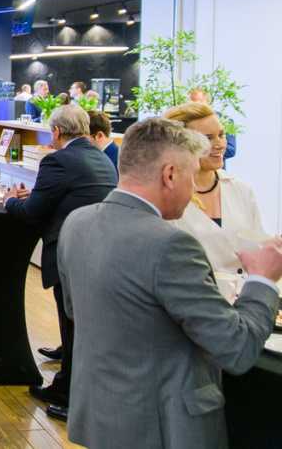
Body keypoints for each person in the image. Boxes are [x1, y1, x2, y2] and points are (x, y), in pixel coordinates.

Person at [58, 118, 282, 449]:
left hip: (101, 415)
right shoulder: (171, 245)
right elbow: (236, 349)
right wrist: (263, 279)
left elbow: (77, 311)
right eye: (192, 177)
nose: (194, 189)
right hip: (163, 428)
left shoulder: (77, 222)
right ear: (170, 174)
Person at [2, 104, 118, 421]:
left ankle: (71, 398)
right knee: (82, 328)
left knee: (72, 327)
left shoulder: (57, 159)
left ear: (55, 132)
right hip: (102, 252)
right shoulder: (103, 158)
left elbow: (31, 213)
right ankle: (67, 388)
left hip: (71, 253)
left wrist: (9, 200)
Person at [164, 103, 266, 275]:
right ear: (179, 144)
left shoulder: (240, 190)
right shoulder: (165, 195)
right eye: (208, 138)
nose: (220, 144)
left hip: (243, 297)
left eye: (221, 135)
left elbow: (258, 248)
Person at [189, 87, 237, 166]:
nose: (196, 108)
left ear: (208, 101)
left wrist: (204, 151)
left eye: (199, 104)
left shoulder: (224, 120)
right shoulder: (185, 121)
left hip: (216, 171)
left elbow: (231, 150)